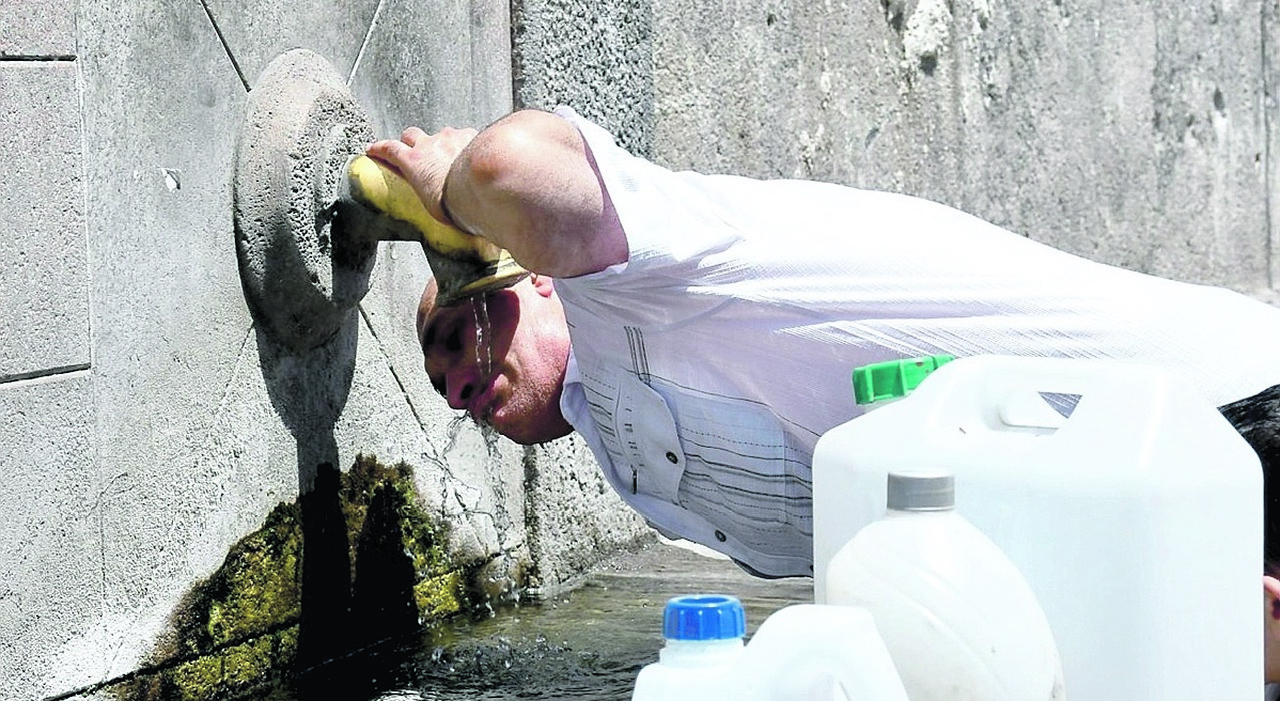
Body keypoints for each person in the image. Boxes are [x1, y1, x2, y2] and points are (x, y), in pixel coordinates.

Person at [367, 104, 1280, 661]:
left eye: (458, 331)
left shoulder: (646, 275)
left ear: (530, 277)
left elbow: (511, 170)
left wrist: (451, 187)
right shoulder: (623, 456)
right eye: (443, 383)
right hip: (1125, 522)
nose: (456, 387)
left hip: (1226, 417)